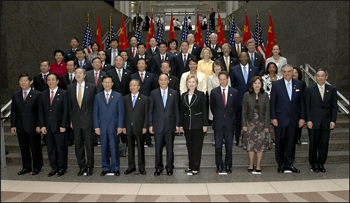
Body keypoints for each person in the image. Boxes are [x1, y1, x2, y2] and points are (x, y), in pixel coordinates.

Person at [270, 64, 305, 174]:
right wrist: (273, 117)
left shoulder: (299, 84)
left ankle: (289, 164)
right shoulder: (276, 85)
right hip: (280, 119)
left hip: (294, 119)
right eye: (285, 71)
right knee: (280, 142)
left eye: (289, 71)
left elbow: (302, 103)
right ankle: (280, 164)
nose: (287, 73)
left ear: (293, 72)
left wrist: (302, 118)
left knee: (291, 143)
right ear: (282, 73)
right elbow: (272, 103)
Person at [305, 69, 337, 173]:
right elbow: (307, 106)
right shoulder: (309, 89)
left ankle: (321, 164)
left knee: (324, 144)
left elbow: (333, 107)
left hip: (326, 122)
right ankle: (313, 164)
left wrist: (333, 120)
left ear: (326, 77)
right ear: (315, 77)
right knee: (313, 144)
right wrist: (308, 120)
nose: (320, 78)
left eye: (322, 76)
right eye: (318, 76)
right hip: (313, 122)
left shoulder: (331, 89)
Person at [11, 74, 43, 175]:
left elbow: (40, 111)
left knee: (35, 147)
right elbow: (14, 111)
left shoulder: (37, 94)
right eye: (21, 81)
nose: (23, 83)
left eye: (25, 81)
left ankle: (37, 166)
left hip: (33, 126)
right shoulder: (16, 95)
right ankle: (26, 167)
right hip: (20, 126)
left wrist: (39, 125)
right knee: (23, 148)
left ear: (30, 82)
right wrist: (13, 125)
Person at [38, 73, 69, 177]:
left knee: (61, 148)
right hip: (47, 127)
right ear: (46, 82)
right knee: (50, 149)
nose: (51, 81)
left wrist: (64, 125)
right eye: (49, 80)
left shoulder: (63, 93)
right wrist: (42, 125)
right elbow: (41, 111)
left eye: (53, 79)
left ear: (57, 81)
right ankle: (54, 168)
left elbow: (66, 111)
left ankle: (62, 168)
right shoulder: (42, 94)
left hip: (60, 127)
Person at [149, 73, 180, 176]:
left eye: (165, 79)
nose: (163, 81)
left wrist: (177, 124)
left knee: (170, 148)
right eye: (161, 79)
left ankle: (169, 167)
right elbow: (151, 110)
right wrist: (150, 125)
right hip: (157, 125)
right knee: (158, 148)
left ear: (168, 81)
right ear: (158, 81)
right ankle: (158, 167)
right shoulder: (153, 93)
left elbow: (176, 110)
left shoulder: (174, 93)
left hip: (170, 125)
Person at [67, 67, 96, 176]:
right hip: (75, 121)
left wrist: (94, 121)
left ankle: (90, 166)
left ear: (84, 75)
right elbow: (69, 106)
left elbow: (94, 106)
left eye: (80, 73)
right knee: (78, 146)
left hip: (88, 121)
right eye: (76, 73)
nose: (78, 75)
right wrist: (70, 120)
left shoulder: (92, 87)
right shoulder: (70, 88)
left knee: (89, 145)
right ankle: (82, 166)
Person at [93, 75, 124, 176]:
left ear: (112, 84)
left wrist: (120, 126)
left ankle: (115, 167)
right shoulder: (98, 96)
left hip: (114, 127)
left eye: (109, 82)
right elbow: (95, 113)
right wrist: (96, 127)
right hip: (102, 127)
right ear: (102, 84)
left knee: (115, 148)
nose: (107, 84)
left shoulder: (118, 96)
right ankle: (106, 167)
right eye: (105, 82)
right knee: (104, 148)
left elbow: (121, 112)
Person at [240, 76, 271, 173]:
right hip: (250, 122)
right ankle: (251, 164)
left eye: (259, 83)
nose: (257, 85)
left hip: (261, 123)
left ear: (261, 84)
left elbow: (267, 111)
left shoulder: (265, 95)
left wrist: (267, 125)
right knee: (251, 144)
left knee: (260, 144)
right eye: (255, 83)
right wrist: (244, 124)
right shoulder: (247, 95)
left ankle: (258, 165)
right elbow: (244, 110)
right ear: (252, 84)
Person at [210, 71, 238, 174]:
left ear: (228, 79)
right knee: (218, 146)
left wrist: (229, 117)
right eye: (220, 79)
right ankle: (219, 165)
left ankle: (228, 165)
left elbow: (236, 107)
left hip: (230, 123)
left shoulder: (234, 92)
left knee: (229, 146)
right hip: (218, 122)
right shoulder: (214, 92)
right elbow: (212, 107)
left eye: (224, 79)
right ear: (218, 79)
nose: (222, 81)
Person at [179, 74, 208, 175]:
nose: (191, 84)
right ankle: (191, 166)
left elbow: (204, 110)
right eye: (189, 82)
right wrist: (181, 125)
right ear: (186, 84)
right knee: (189, 146)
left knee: (197, 147)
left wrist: (205, 124)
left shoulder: (200, 95)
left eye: (193, 82)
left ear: (196, 83)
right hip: (187, 125)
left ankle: (196, 167)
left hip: (198, 125)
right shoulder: (184, 95)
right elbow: (182, 111)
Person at [230, 52, 259, 145]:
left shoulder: (255, 69)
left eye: (245, 57)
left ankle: (251, 139)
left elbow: (257, 85)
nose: (243, 58)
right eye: (241, 57)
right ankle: (239, 139)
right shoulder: (234, 69)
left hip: (252, 100)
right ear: (239, 58)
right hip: (239, 100)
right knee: (238, 121)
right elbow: (233, 86)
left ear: (248, 58)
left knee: (252, 120)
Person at [123, 79, 148, 175]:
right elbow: (123, 114)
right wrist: (124, 126)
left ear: (139, 87)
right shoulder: (125, 98)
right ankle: (131, 166)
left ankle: (141, 167)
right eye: (131, 85)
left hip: (140, 127)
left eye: (135, 85)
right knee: (130, 148)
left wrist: (145, 126)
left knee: (141, 148)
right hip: (129, 127)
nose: (132, 87)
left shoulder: (144, 98)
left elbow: (146, 114)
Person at [130, 58, 155, 147]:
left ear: (146, 65)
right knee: (138, 120)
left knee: (147, 119)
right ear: (137, 65)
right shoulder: (132, 76)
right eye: (139, 63)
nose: (141, 65)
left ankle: (148, 139)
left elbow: (153, 89)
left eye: (143, 63)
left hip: (148, 101)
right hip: (136, 102)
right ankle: (138, 139)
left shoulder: (151, 76)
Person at [207, 61, 231, 145]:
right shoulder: (210, 78)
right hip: (215, 103)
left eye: (218, 66)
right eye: (215, 67)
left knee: (225, 121)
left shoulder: (227, 77)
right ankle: (216, 139)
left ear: (221, 67)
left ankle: (224, 138)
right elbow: (209, 91)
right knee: (216, 123)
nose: (217, 68)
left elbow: (229, 89)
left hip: (225, 103)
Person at [33, 60, 50, 146]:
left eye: (45, 65)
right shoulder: (36, 77)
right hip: (40, 100)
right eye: (42, 66)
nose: (43, 67)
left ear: (49, 67)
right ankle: (43, 138)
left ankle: (48, 139)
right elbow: (36, 89)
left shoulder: (52, 76)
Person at [292, 67, 307, 145]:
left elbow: (304, 95)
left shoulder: (302, 83)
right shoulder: (288, 83)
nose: (294, 74)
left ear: (298, 74)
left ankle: (298, 138)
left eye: (296, 72)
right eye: (293, 72)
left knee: (299, 124)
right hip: (291, 108)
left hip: (299, 107)